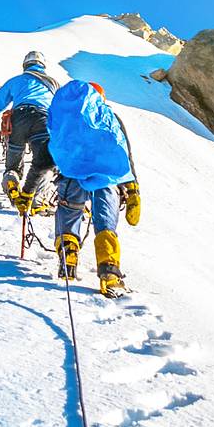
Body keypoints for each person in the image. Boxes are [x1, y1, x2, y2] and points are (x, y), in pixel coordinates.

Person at [46, 80, 142, 298]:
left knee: (70, 211)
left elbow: (54, 144)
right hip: (106, 178)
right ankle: (109, 273)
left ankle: (68, 259)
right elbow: (123, 152)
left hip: (72, 174)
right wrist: (133, 188)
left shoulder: (66, 118)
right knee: (105, 222)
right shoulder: (109, 116)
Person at [0, 50, 60, 213]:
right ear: (43, 66)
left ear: (25, 65)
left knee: (14, 162)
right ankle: (37, 201)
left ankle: (12, 181)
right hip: (42, 121)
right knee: (44, 162)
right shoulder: (53, 84)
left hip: (17, 120)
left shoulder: (16, 81)